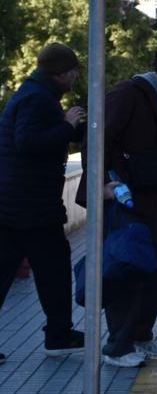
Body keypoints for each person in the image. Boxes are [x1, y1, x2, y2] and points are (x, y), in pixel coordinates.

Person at [76, 40, 157, 367]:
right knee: (128, 269)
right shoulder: (129, 94)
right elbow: (96, 135)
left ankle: (139, 334)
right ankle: (118, 345)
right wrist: (99, 186)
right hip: (121, 198)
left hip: (146, 200)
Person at [0, 43, 87, 363]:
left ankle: (59, 332)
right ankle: (59, 334)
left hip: (16, 203)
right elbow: (27, 142)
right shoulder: (38, 98)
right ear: (61, 73)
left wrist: (68, 128)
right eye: (74, 70)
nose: (77, 75)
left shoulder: (35, 93)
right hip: (30, 206)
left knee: (11, 271)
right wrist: (66, 126)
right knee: (54, 268)